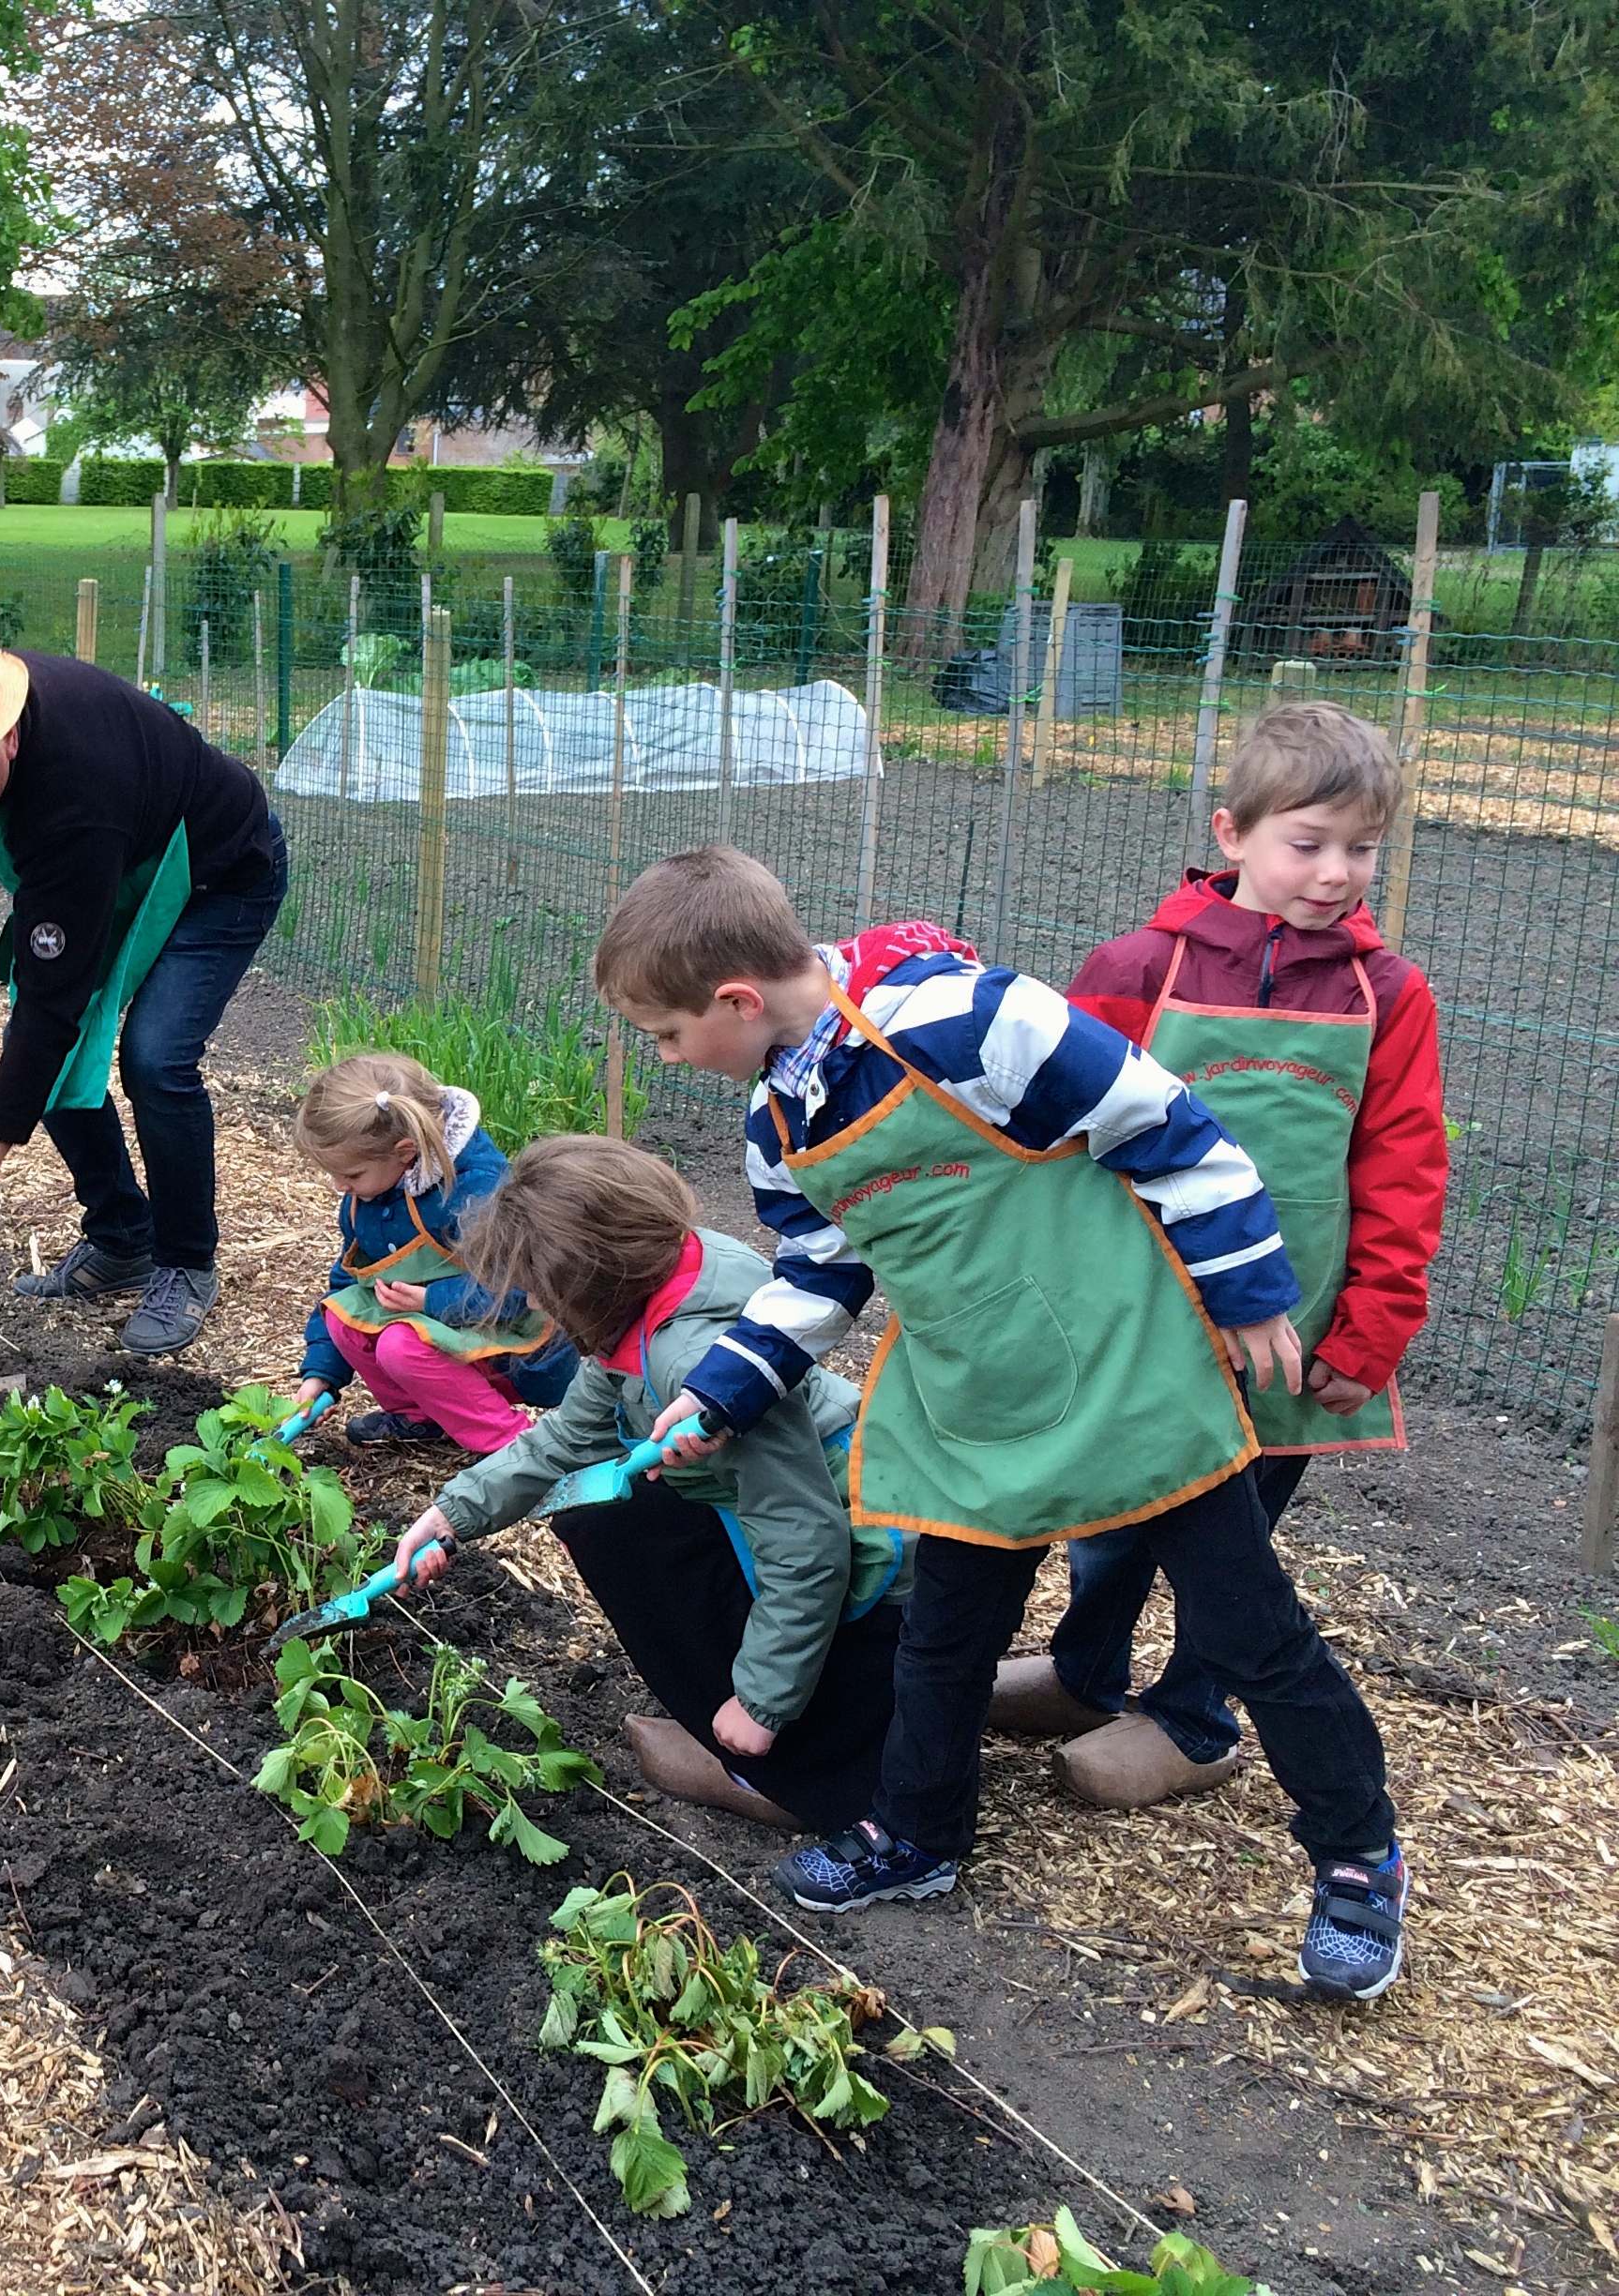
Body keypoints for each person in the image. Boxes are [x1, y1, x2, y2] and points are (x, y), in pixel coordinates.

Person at [602, 845, 1405, 2002]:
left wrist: (1248, 1287)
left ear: (735, 1000)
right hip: (969, 1389)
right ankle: (916, 1832)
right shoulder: (777, 1114)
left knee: (1253, 1630)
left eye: (667, 1034)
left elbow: (1163, 1122)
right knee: (947, 1632)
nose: (667, 1056)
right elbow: (818, 1273)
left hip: (1121, 1369)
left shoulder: (959, 1018)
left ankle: (1358, 1858)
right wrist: (722, 1387)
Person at [993, 701, 1445, 1810]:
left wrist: (1373, 1328)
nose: (1337, 873)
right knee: (1118, 1509)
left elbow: (1403, 1172)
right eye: (1309, 842)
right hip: (1143, 1317)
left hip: (1290, 1328)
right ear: (1232, 832)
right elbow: (1054, 1143)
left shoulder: (1387, 996)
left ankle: (1194, 1718)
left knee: (1232, 1536)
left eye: (1361, 847)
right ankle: (1089, 1672)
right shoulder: (1137, 967)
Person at [386, 1135, 906, 1833]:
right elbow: (569, 1438)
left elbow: (808, 1544)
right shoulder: (661, 1281)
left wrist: (761, 1701)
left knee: (619, 1532)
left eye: (536, 1287)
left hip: (878, 1563)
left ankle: (792, 1768)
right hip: (810, 1518)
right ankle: (784, 1709)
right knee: (600, 1508)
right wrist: (453, 1513)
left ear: (584, 1285)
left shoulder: (693, 1359)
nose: (532, 1300)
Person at [0, 639, 287, 1357]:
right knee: (50, 1060)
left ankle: (184, 1263)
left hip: (220, 872)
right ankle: (123, 1237)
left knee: (153, 1058)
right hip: (125, 861)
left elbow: (53, 1009)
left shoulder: (75, 794)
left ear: (6, 738)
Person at [287, 1051, 575, 1452]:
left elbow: (518, 1290)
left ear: (405, 1153)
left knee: (400, 1345)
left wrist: (431, 1299)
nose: (339, 1186)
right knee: (341, 1318)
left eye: (351, 1174)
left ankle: (510, 1441)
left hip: (514, 1348)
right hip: (442, 1333)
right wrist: (320, 1375)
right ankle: (421, 1417)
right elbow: (345, 1283)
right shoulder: (370, 1193)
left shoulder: (474, 1191)